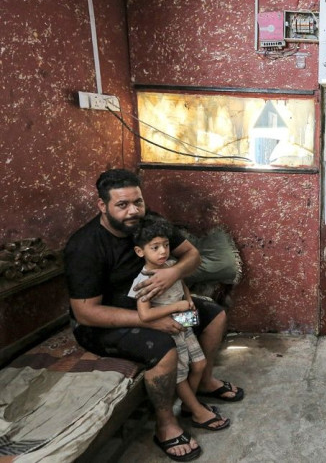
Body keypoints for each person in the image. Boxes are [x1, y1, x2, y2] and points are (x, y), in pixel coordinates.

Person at [64, 169, 243, 462]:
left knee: (212, 316)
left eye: (138, 202)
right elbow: (85, 313)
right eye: (122, 205)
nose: (133, 211)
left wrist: (173, 271)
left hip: (157, 309)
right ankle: (166, 425)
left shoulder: (151, 223)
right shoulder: (85, 246)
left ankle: (205, 382)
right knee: (164, 349)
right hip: (105, 324)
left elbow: (192, 256)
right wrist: (149, 320)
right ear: (102, 206)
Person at [129, 215, 230, 435]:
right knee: (181, 374)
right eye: (155, 247)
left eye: (165, 245)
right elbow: (145, 315)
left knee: (200, 365)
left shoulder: (172, 265)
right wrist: (176, 307)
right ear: (140, 251)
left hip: (184, 321)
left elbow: (181, 282)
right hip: (170, 328)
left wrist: (189, 300)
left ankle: (187, 405)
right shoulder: (143, 281)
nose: (163, 251)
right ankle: (195, 409)